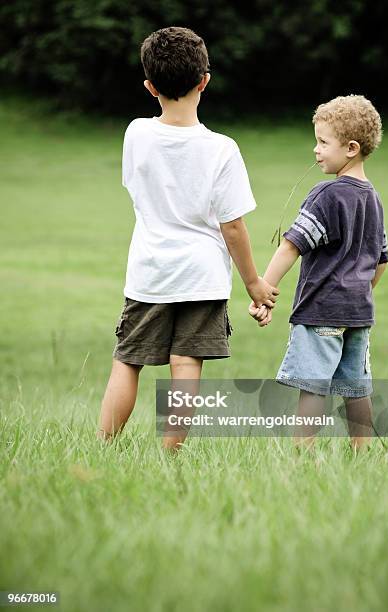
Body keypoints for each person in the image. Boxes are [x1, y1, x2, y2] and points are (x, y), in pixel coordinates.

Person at [97, 26, 279, 450]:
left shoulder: (135, 134)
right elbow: (232, 225)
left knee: (127, 361)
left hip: (149, 272)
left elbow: (136, 188)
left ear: (149, 86)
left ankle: (103, 447)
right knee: (185, 365)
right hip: (202, 276)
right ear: (205, 81)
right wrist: (254, 282)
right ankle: (170, 454)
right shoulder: (222, 149)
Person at [250, 95, 388, 450]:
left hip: (321, 309)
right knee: (356, 386)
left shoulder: (326, 194)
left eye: (324, 142)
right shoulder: (373, 197)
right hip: (358, 314)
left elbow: (291, 245)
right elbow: (381, 261)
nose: (316, 150)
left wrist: (265, 288)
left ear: (352, 148)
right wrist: (360, 291)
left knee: (314, 385)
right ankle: (363, 450)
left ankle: (302, 450)